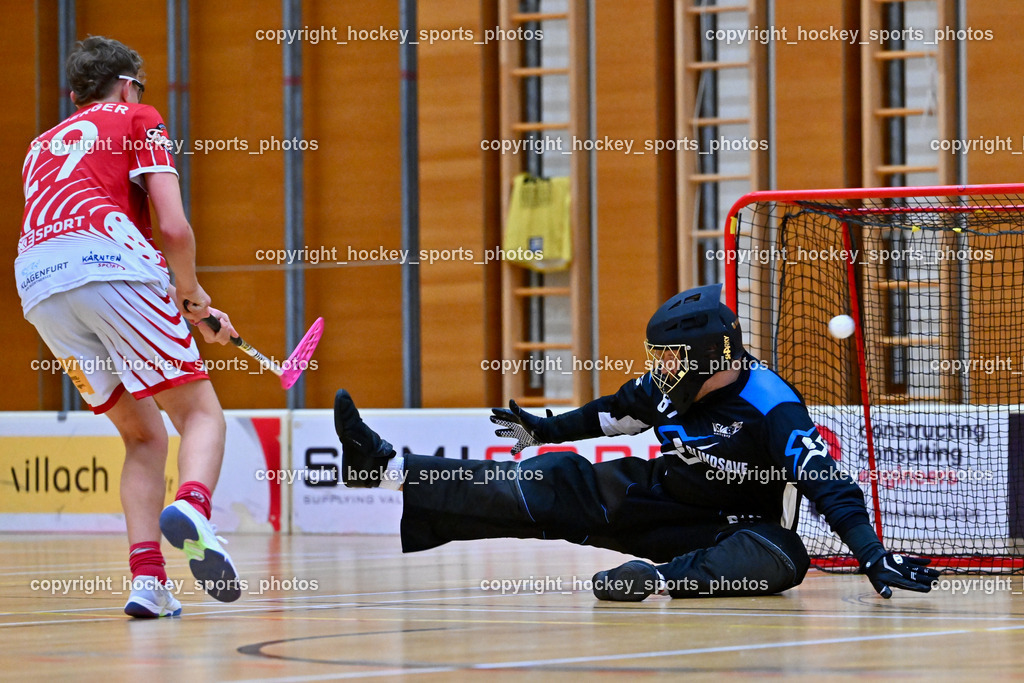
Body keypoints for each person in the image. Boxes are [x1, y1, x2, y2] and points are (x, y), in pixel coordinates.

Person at [332, 283, 941, 601]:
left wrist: (869, 552)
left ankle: (654, 580)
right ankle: (384, 467)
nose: (661, 367)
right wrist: (544, 431)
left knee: (785, 559)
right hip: (652, 495)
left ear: (709, 355)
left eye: (672, 356)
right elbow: (612, 418)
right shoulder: (665, 386)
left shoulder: (772, 406)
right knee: (553, 480)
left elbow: (825, 481)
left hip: (726, 531)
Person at [15, 36, 240, 617]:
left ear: (74, 95)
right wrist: (189, 294)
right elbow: (174, 228)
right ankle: (192, 506)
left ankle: (148, 583)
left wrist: (187, 304)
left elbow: (76, 221)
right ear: (128, 83)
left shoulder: (38, 146)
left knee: (143, 436)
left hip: (40, 287)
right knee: (200, 414)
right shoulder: (139, 115)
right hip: (110, 266)